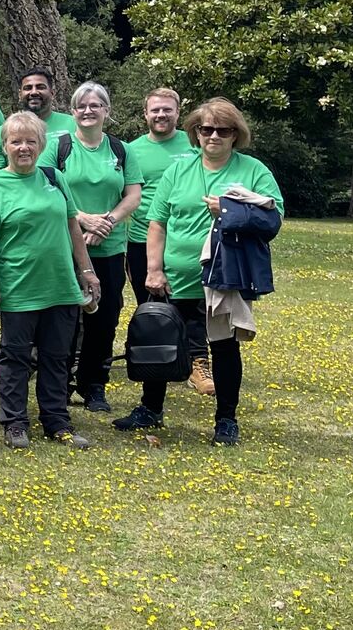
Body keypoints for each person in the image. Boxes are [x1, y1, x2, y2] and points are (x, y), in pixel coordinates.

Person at [120, 98, 282, 446]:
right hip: (174, 275)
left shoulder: (252, 170)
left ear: (235, 135)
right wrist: (154, 269)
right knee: (159, 338)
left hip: (224, 275)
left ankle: (226, 419)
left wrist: (229, 209)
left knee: (223, 348)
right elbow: (157, 223)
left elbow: (274, 219)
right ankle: (151, 408)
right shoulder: (179, 170)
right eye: (206, 129)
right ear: (195, 132)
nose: (213, 136)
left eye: (223, 130)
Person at [0, 112, 99, 450]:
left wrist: (86, 272)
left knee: (57, 358)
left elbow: (73, 227)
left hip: (61, 287)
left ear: (42, 145)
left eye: (31, 141)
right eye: (16, 141)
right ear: (5, 146)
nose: (24, 147)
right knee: (14, 360)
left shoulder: (54, 177)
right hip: (18, 288)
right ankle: (14, 423)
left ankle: (57, 422)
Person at [57, 81, 143, 413]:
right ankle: (59, 384)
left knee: (104, 319)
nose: (88, 111)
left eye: (95, 106)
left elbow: (133, 195)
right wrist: (81, 219)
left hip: (109, 247)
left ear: (107, 110)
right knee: (64, 318)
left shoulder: (121, 150)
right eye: (82, 106)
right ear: (73, 111)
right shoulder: (60, 148)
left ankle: (94, 385)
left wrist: (106, 221)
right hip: (65, 245)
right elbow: (50, 187)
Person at [124, 88, 194, 302]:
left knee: (186, 307)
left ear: (178, 113)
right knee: (150, 311)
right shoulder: (129, 150)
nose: (161, 114)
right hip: (141, 240)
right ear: (145, 114)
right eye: (155, 110)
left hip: (183, 238)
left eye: (167, 109)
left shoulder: (195, 145)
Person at [0, 68, 71, 171]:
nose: (34, 92)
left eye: (40, 87)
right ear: (20, 94)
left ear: (52, 93)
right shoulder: (2, 132)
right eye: (28, 88)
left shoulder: (73, 125)